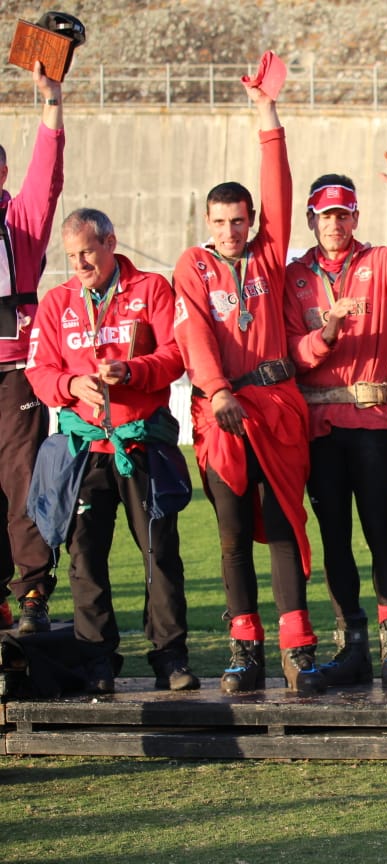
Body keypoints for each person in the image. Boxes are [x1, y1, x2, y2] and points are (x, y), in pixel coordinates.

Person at [172, 80, 325, 694]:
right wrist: (215, 390)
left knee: (286, 522)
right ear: (206, 223)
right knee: (233, 531)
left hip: (276, 404)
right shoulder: (193, 265)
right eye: (221, 222)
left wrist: (268, 116)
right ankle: (244, 648)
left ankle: (298, 648)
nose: (232, 230)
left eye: (240, 221)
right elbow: (194, 333)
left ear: (252, 222)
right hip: (223, 408)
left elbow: (279, 190)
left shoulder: (268, 257)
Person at [26, 209, 194, 693]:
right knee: (86, 558)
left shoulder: (152, 289)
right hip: (84, 449)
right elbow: (39, 371)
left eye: (88, 253)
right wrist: (71, 382)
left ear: (111, 243)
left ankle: (170, 658)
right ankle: (97, 661)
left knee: (159, 554)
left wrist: (134, 371)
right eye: (72, 256)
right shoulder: (56, 302)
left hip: (141, 443)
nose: (80, 264)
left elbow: (176, 355)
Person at [284, 156, 387, 689]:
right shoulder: (293, 278)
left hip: (369, 423)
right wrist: (324, 333)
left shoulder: (381, 262)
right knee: (334, 539)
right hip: (318, 429)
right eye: (326, 215)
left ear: (355, 217)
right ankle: (352, 645)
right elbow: (289, 354)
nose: (335, 223)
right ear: (311, 218)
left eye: (344, 214)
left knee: (379, 531)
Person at [0, 63, 61, 634]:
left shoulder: (20, 220)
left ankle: (33, 592)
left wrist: (50, 103)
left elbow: (46, 178)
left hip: (15, 371)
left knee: (22, 481)